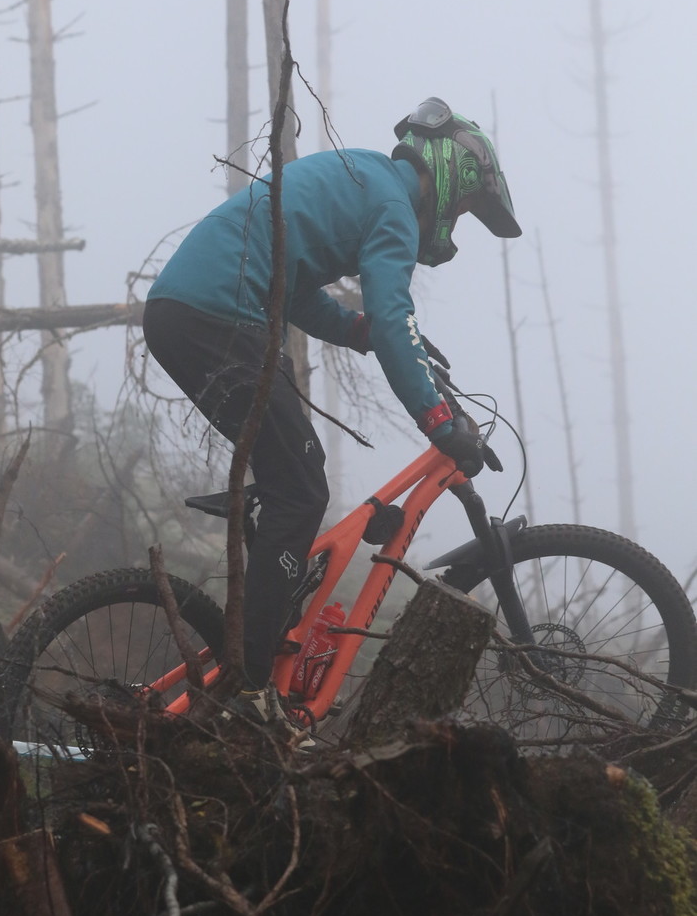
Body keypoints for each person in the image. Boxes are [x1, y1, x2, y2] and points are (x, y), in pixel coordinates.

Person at [143, 97, 521, 719]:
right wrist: (439, 421)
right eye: (464, 204)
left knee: (296, 475)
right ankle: (249, 690)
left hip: (190, 313)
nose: (456, 217)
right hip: (217, 318)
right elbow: (396, 324)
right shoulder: (394, 210)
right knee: (301, 491)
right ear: (451, 173)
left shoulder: (364, 176)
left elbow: (291, 286)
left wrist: (356, 330)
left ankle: (256, 637)